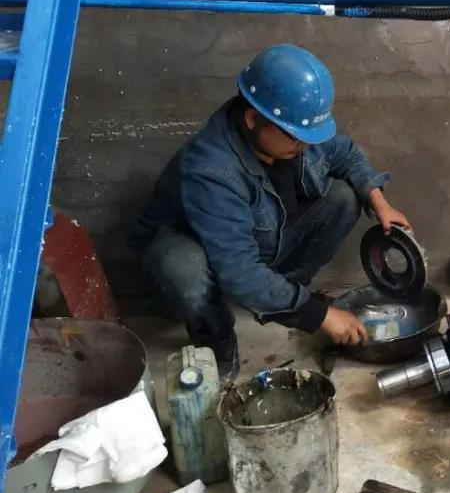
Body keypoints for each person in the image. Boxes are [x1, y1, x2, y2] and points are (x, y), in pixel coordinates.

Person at [132, 44, 411, 379]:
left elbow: (345, 153)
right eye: (296, 138)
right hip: (197, 249)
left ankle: (281, 296)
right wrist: (320, 315)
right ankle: (215, 336)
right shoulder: (211, 171)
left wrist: (379, 203)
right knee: (182, 270)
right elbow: (238, 270)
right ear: (252, 119)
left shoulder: (290, 130)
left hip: (261, 236)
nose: (305, 146)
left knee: (343, 197)